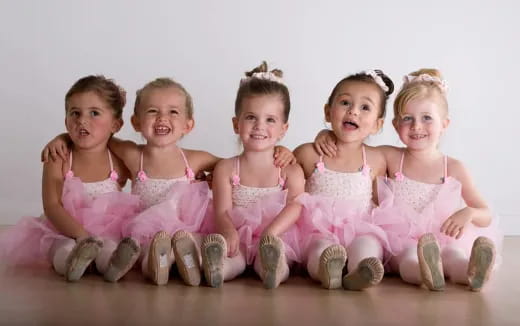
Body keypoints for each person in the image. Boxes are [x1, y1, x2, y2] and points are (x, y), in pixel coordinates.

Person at [202, 62, 305, 289]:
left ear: (283, 129)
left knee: (276, 254)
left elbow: (295, 206)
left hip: (278, 234)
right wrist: (229, 231)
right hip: (237, 234)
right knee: (233, 256)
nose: (259, 126)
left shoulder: (290, 170)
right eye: (250, 117)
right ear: (235, 123)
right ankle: (218, 269)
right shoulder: (227, 168)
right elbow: (221, 210)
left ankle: (274, 270)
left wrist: (271, 234)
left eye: (270, 120)